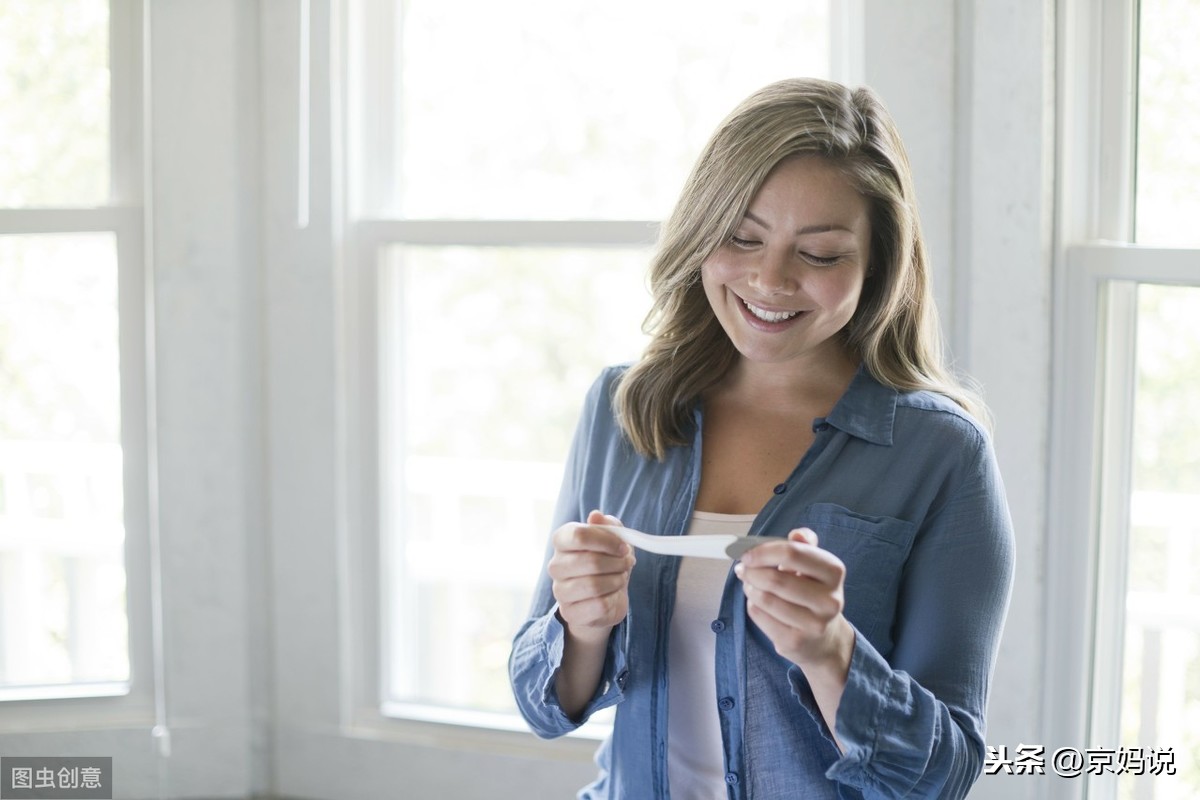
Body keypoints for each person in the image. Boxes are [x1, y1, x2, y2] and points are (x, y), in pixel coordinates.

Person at [508, 77, 1015, 800]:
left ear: (876, 266)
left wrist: (831, 652)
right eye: (742, 238)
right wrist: (581, 626)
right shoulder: (626, 407)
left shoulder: (942, 454)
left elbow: (943, 775)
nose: (770, 281)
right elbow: (541, 705)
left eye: (820, 254)